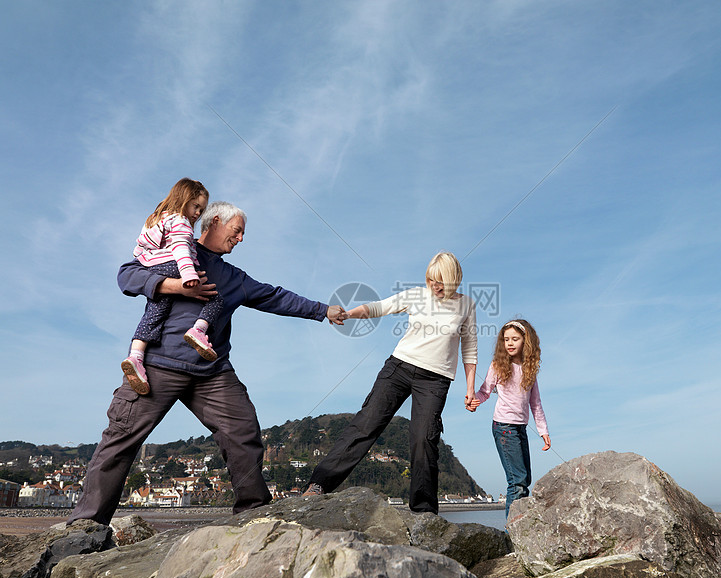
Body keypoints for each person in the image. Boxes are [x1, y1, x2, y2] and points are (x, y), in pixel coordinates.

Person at [68, 200, 347, 525]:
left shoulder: (234, 277)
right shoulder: (175, 249)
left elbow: (276, 296)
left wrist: (323, 310)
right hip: (157, 364)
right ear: (214, 222)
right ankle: (85, 528)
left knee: (243, 431)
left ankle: (254, 515)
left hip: (212, 372)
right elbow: (127, 274)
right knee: (120, 440)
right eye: (237, 230)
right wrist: (173, 285)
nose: (241, 238)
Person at [303, 252, 477, 514]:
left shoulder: (467, 305)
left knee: (424, 439)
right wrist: (349, 314)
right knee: (366, 424)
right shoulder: (417, 295)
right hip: (399, 368)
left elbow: (470, 348)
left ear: (454, 280)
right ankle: (318, 485)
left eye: (441, 282)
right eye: (431, 280)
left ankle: (424, 511)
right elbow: (378, 307)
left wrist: (470, 388)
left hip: (435, 380)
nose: (435, 286)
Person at [121, 178, 224, 395]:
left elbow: (141, 246)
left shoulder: (156, 218)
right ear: (183, 199)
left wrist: (142, 260)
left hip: (153, 268)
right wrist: (188, 274)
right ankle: (198, 331)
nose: (197, 213)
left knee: (154, 313)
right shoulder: (181, 221)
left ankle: (136, 356)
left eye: (201, 210)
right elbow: (180, 248)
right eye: (196, 206)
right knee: (215, 298)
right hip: (175, 267)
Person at [468, 319, 550, 519]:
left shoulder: (530, 370)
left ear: (526, 341)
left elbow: (536, 403)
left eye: (515, 339)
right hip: (504, 427)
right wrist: (474, 400)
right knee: (517, 481)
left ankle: (519, 527)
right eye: (506, 340)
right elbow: (484, 391)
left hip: (520, 428)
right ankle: (512, 532)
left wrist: (543, 431)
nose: (510, 343)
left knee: (525, 480)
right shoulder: (498, 365)